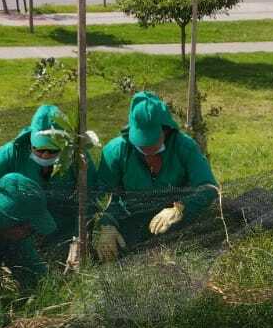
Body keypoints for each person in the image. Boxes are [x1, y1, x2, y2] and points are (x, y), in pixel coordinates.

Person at [93, 91, 218, 261]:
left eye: (152, 140)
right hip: (130, 222)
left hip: (176, 227)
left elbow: (209, 187)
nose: (147, 148)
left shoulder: (184, 147)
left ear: (165, 129)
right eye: (141, 141)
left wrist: (180, 209)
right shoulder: (115, 152)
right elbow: (102, 198)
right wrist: (107, 225)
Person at [0, 104, 95, 249]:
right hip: (20, 228)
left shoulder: (78, 157)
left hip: (64, 228)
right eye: (39, 150)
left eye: (52, 151)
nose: (45, 156)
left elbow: (92, 196)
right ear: (30, 142)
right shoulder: (13, 152)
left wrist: (80, 237)